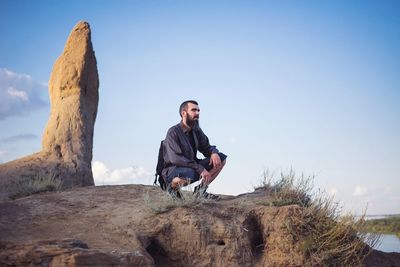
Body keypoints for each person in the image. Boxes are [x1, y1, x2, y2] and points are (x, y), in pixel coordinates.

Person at [162, 100, 227, 200]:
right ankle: (172, 188)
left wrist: (213, 152)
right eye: (193, 110)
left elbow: (206, 147)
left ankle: (200, 192)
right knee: (191, 173)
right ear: (184, 113)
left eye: (198, 110)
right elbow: (176, 159)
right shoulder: (173, 132)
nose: (197, 113)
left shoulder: (196, 130)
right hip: (173, 170)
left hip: (192, 166)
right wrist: (200, 169)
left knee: (221, 159)